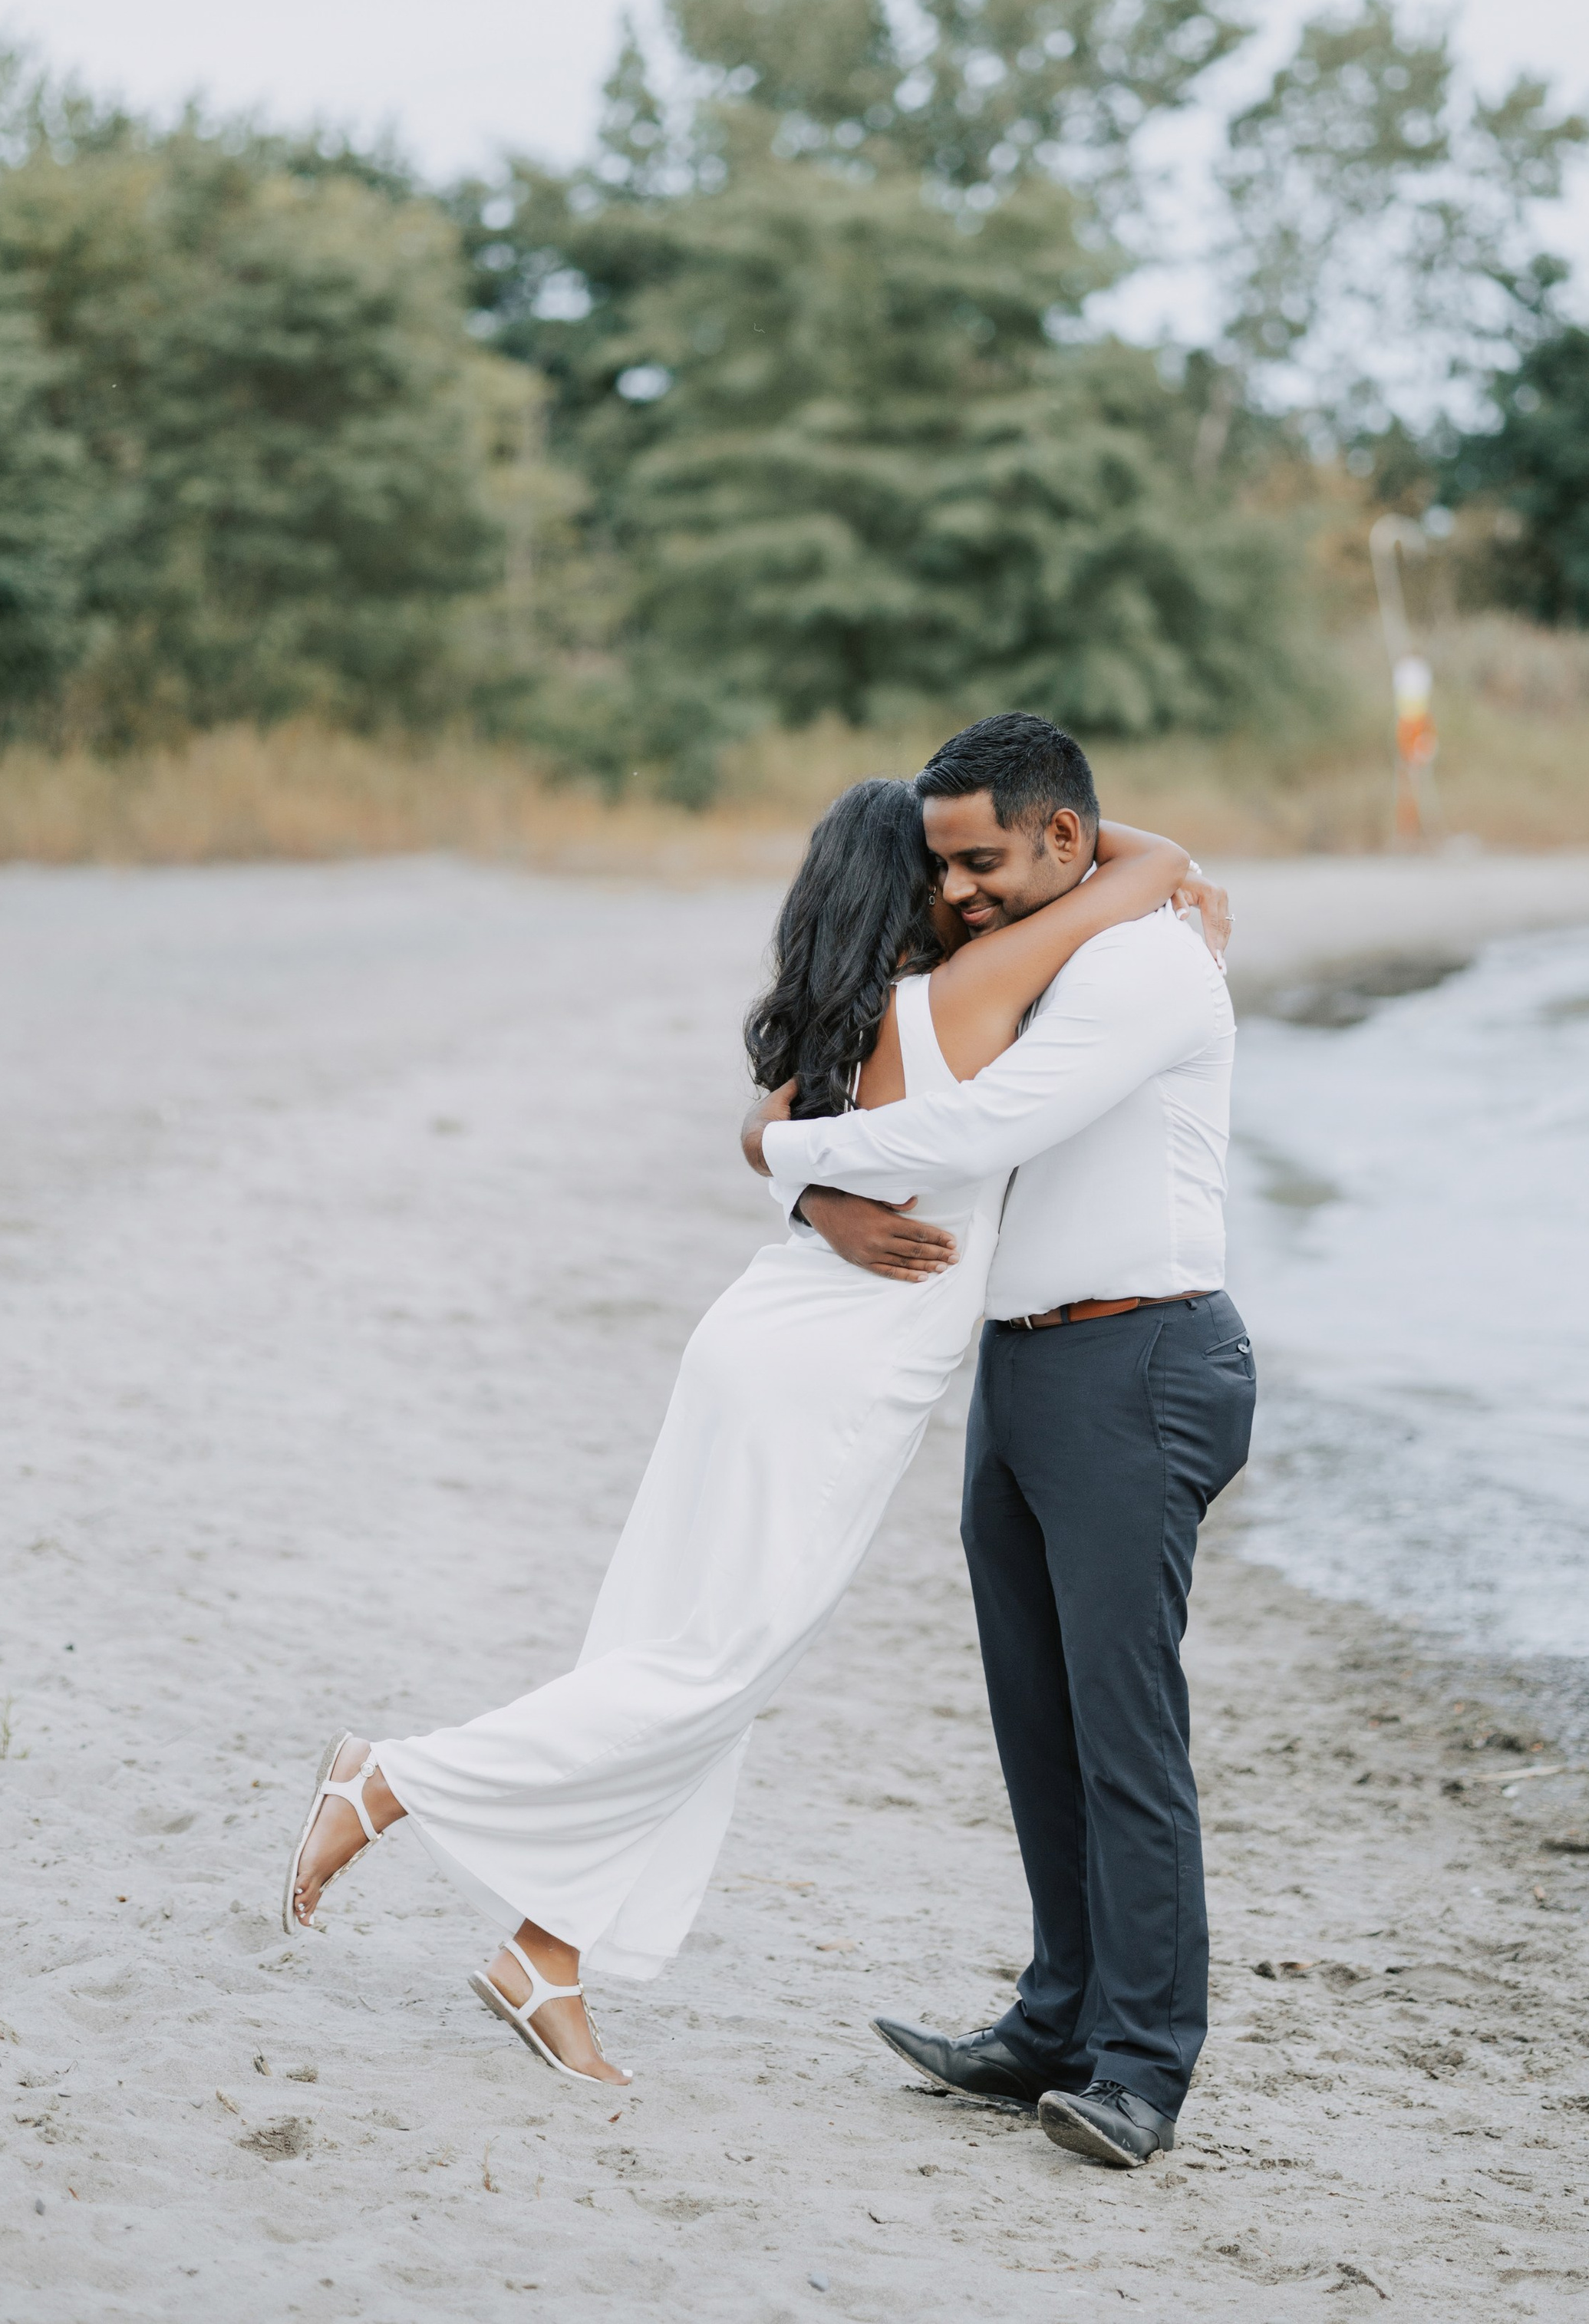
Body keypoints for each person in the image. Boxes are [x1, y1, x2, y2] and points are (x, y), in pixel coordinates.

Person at [279, 773, 1221, 2096]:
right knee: (712, 1665)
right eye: (942, 869)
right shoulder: (976, 987)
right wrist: (1147, 855)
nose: (964, 887)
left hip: (769, 1338)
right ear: (910, 889)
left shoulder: (849, 1019)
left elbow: (769, 1132)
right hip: (828, 1376)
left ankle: (548, 1954)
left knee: (678, 1651)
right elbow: (1151, 857)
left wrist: (820, 1200)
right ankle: (394, 1779)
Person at [746, 711, 1251, 2171]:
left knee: (1125, 1732)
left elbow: (974, 1132)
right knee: (1039, 1720)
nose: (957, 892)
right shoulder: (1066, 944)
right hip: (1030, 1366)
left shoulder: (1147, 964)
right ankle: (1054, 2017)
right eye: (943, 868)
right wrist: (813, 1197)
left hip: (1143, 1357)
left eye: (979, 864)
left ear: (1063, 839)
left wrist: (771, 1155)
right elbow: (900, 1099)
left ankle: (1144, 2068)